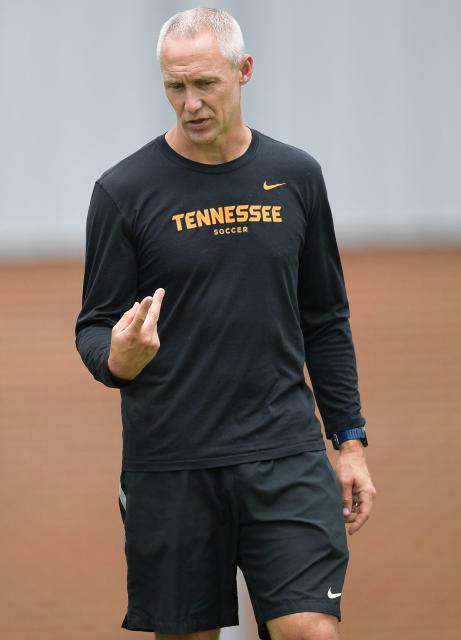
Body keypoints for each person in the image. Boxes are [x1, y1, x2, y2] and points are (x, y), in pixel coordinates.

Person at [75, 8, 376, 640]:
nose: (190, 103)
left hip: (285, 452)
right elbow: (95, 327)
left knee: (311, 631)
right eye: (174, 87)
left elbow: (325, 317)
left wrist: (349, 443)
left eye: (205, 84)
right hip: (172, 462)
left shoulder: (297, 176)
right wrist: (117, 359)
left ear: (243, 72)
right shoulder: (123, 191)